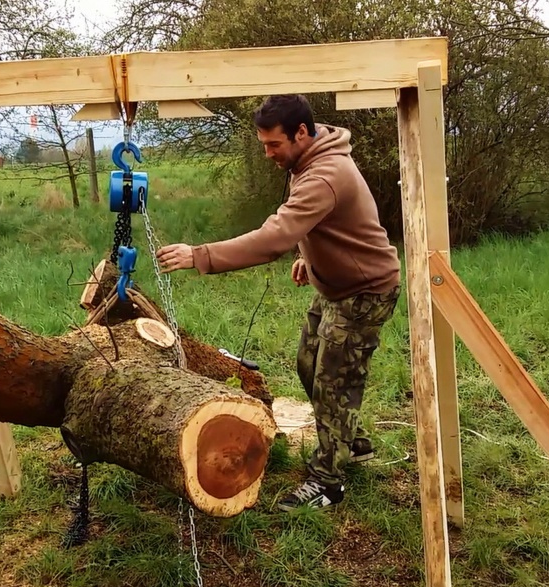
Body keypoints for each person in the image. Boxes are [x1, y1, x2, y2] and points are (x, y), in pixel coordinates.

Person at [156, 94, 401, 510]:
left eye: (274, 145)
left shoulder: (325, 173)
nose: (269, 153)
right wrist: (310, 255)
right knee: (309, 364)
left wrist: (200, 255)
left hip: (364, 293)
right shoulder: (308, 159)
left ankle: (328, 481)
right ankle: (351, 443)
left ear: (301, 133)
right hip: (335, 286)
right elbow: (326, 222)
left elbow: (274, 237)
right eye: (263, 145)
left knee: (333, 381)